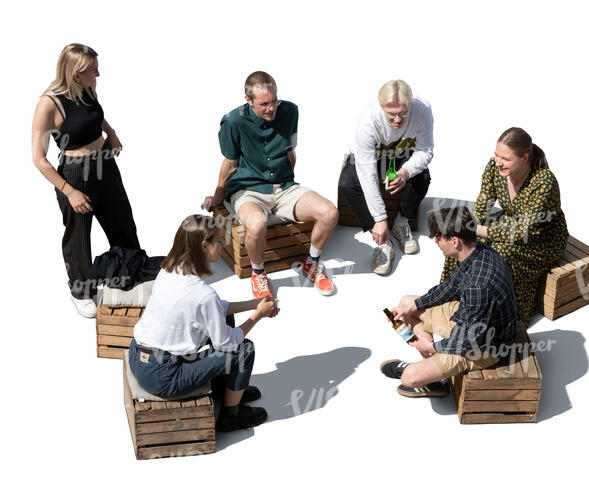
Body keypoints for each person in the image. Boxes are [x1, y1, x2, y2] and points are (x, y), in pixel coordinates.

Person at [129, 215, 279, 432]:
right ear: (204, 245)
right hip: (163, 376)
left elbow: (215, 307)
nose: (222, 245)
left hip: (139, 356)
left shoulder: (170, 268)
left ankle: (225, 385)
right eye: (218, 241)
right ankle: (231, 414)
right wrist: (258, 316)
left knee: (223, 319)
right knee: (244, 349)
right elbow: (228, 343)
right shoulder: (202, 294)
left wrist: (255, 303)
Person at [201, 71, 339, 298]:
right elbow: (230, 163)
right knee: (256, 224)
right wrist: (217, 195)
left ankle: (311, 263)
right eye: (264, 104)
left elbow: (289, 150)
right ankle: (258, 272)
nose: (271, 108)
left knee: (330, 212)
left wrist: (290, 185)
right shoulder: (233, 121)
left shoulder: (290, 111)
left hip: (284, 186)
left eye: (274, 101)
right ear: (249, 100)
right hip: (248, 190)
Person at [31, 43, 140, 318]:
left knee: (122, 222)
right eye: (94, 70)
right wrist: (69, 191)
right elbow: (38, 158)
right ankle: (81, 291)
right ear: (76, 74)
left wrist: (111, 132)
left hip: (105, 163)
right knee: (78, 236)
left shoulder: (88, 88)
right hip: (75, 175)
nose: (98, 75)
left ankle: (131, 272)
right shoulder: (48, 104)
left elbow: (95, 117)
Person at [379, 207, 517, 397]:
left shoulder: (478, 285)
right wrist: (413, 307)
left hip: (487, 346)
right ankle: (433, 372)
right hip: (470, 317)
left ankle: (430, 379)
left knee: (408, 379)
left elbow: (472, 338)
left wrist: (434, 347)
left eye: (438, 236)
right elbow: (450, 287)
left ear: (454, 241)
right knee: (406, 302)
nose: (435, 240)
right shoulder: (477, 250)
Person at [439, 127, 568, 325]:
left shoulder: (544, 182)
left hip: (542, 238)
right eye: (496, 155)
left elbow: (525, 229)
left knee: (500, 254)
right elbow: (484, 200)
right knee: (462, 241)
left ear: (525, 158)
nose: (499, 162)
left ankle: (509, 319)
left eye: (506, 158)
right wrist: (469, 225)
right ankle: (454, 297)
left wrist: (478, 230)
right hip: (509, 221)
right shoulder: (494, 168)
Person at [338, 80, 433, 274]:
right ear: (381, 107)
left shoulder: (423, 110)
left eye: (403, 113)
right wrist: (380, 219)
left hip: (402, 157)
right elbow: (367, 173)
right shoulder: (367, 122)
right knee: (347, 183)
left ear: (410, 104)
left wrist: (406, 172)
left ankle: (401, 221)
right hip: (372, 158)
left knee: (423, 175)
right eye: (391, 115)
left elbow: (425, 151)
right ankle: (383, 242)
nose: (398, 120)